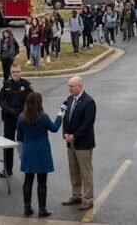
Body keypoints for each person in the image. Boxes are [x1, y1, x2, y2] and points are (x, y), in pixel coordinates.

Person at [17, 92, 63, 218]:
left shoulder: (21, 117)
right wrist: (60, 115)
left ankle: (27, 207)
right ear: (39, 103)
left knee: (28, 180)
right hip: (42, 151)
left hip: (28, 151)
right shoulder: (43, 117)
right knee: (42, 182)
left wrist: (21, 153)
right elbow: (54, 128)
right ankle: (42, 209)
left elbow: (19, 137)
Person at [61, 75, 96, 211]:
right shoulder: (69, 100)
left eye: (72, 86)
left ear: (80, 87)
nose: (69, 88)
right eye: (69, 86)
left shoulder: (89, 102)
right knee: (74, 171)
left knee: (85, 172)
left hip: (83, 144)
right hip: (71, 143)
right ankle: (76, 195)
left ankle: (88, 199)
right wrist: (65, 133)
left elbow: (88, 124)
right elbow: (65, 118)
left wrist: (74, 136)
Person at [0, 64, 33, 177]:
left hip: (23, 118)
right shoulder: (6, 85)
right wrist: (8, 110)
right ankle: (7, 169)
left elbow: (31, 101)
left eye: (17, 71)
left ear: (21, 72)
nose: (15, 74)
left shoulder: (26, 85)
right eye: (13, 72)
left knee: (25, 143)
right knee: (8, 143)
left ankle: (28, 167)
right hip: (9, 118)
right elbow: (0, 100)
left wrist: (19, 111)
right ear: (10, 72)